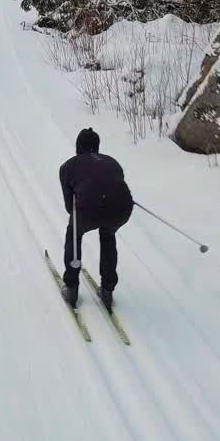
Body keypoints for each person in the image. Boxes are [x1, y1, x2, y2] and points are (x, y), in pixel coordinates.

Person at [59, 128, 134, 310]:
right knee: (108, 235)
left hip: (88, 210)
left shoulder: (68, 166)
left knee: (73, 233)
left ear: (78, 146)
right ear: (97, 146)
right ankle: (107, 291)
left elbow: (70, 208)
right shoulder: (113, 162)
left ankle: (71, 288)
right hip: (122, 209)